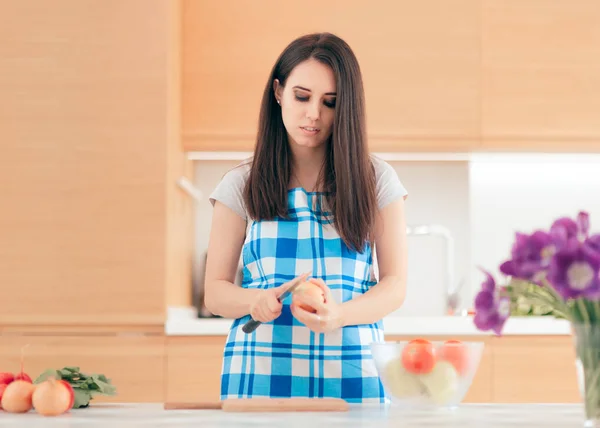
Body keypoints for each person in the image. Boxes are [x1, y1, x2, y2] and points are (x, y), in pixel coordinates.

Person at [204, 32, 408, 404]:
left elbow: (395, 285)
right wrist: (253, 301)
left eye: (330, 103)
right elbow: (215, 291)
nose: (314, 113)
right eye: (302, 96)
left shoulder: (376, 180)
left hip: (353, 380)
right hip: (261, 380)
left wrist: (340, 314)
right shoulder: (241, 183)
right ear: (279, 92)